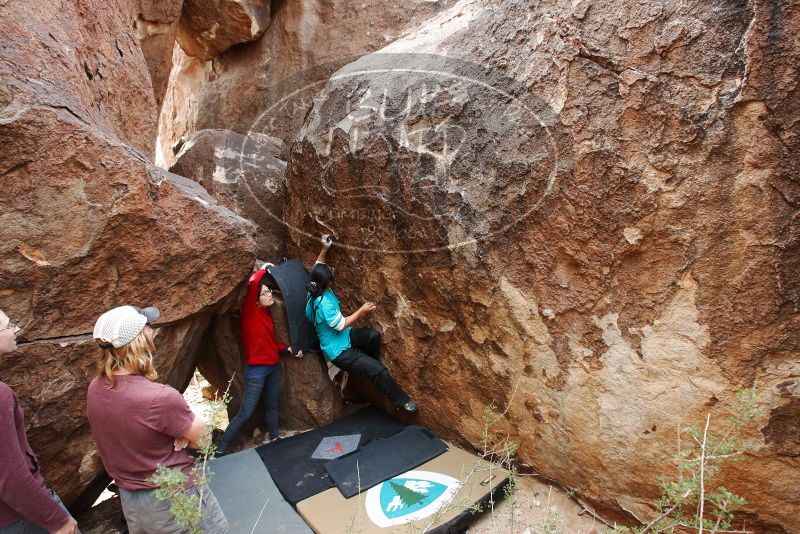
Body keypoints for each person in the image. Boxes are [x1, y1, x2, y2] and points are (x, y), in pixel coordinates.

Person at [86, 306, 228, 534]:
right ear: (140, 339)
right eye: (148, 327)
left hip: (131, 502)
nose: (153, 331)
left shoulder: (96, 389)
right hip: (174, 499)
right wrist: (181, 434)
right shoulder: (159, 397)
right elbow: (204, 439)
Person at [305, 236, 418, 414]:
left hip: (344, 338)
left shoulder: (314, 288)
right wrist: (362, 311)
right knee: (378, 370)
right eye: (330, 273)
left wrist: (324, 249)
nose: (331, 271)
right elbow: (341, 325)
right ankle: (401, 401)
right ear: (327, 283)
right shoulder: (324, 304)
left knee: (373, 336)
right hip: (339, 351)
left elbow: (318, 266)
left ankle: (366, 367)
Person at [0, 310, 80, 534]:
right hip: (20, 519)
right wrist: (56, 519)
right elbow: (10, 476)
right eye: (9, 325)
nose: (17, 330)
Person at [215, 264, 302, 456]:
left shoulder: (266, 315)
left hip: (272, 367)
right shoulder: (250, 313)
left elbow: (270, 345)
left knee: (272, 404)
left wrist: (286, 349)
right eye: (265, 293)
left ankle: (274, 437)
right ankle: (219, 450)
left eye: (270, 291)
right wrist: (263, 269)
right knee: (246, 411)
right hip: (256, 370)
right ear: (255, 300)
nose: (270, 294)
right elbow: (253, 283)